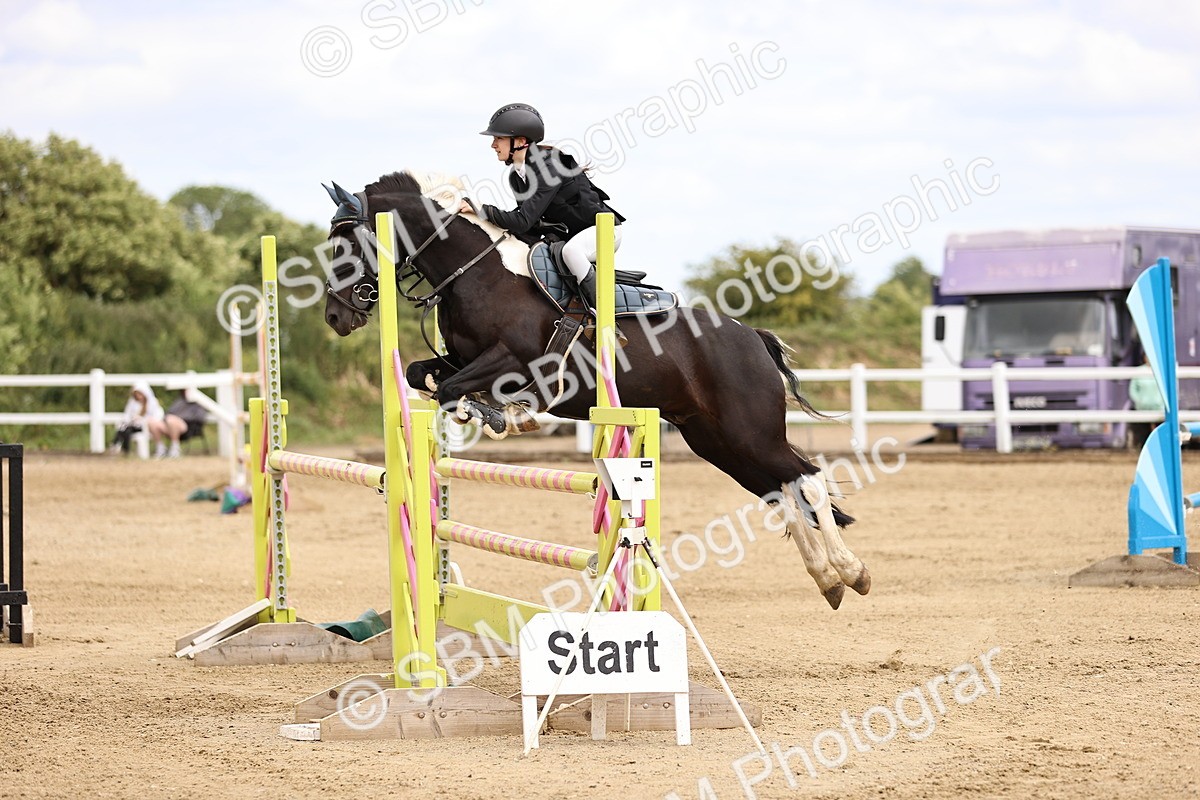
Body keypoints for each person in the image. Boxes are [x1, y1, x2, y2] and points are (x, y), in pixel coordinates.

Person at [464, 103, 626, 310]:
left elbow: (523, 222)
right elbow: (528, 223)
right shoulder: (517, 176)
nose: (493, 145)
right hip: (572, 235)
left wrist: (481, 210)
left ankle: (604, 313)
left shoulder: (549, 167)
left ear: (521, 141)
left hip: (603, 232)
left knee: (571, 252)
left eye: (499, 138)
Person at [147, 392, 209, 459]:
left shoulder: (198, 403)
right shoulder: (179, 401)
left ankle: (175, 448)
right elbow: (169, 413)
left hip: (187, 426)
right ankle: (161, 448)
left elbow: (199, 418)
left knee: (171, 420)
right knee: (152, 422)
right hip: (169, 425)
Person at [110, 381, 164, 455]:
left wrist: (142, 420)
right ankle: (121, 448)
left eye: (140, 394)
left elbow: (157, 416)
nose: (139, 396)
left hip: (145, 427)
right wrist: (131, 420)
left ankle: (118, 446)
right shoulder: (132, 402)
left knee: (126, 430)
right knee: (125, 429)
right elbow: (127, 415)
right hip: (133, 425)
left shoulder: (152, 403)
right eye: (136, 394)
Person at [1129, 354, 1164, 449]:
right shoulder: (1139, 371)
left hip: (1158, 407)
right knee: (1143, 433)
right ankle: (1145, 450)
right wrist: (1139, 401)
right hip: (1142, 407)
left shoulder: (1161, 370)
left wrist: (1161, 402)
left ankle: (1160, 450)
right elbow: (1133, 389)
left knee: (1160, 431)